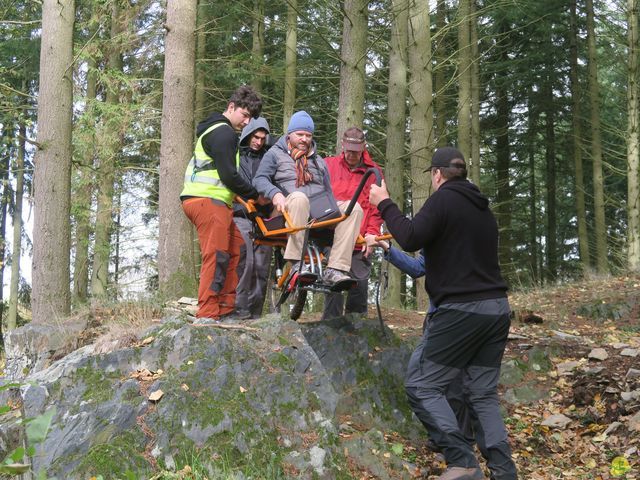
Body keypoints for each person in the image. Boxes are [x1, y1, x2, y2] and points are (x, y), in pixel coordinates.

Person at [369, 146, 517, 480]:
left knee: (421, 385)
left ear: (437, 174)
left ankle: (462, 461)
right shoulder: (483, 211)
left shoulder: (443, 200)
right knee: (480, 393)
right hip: (496, 310)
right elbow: (425, 261)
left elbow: (409, 236)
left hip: (460, 311)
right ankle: (504, 472)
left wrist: (384, 202)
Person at [375, 242, 475, 450]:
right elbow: (419, 266)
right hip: (448, 317)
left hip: (450, 319)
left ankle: (453, 440)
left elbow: (420, 267)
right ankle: (455, 437)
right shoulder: (439, 233)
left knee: (427, 380)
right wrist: (387, 248)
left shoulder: (458, 232)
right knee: (449, 381)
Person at [181, 85, 268, 321]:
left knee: (237, 249)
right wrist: (255, 196)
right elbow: (229, 176)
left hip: (215, 201)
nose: (246, 121)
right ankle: (208, 312)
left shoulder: (220, 132)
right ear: (231, 107)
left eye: (250, 118)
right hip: (206, 201)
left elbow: (225, 177)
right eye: (245, 115)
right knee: (217, 254)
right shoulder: (223, 133)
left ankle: (226, 308)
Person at [253, 111, 363, 286]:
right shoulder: (274, 154)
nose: (304, 139)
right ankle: (296, 263)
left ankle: (336, 269)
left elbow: (328, 191)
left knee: (353, 207)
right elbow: (259, 179)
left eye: (308, 135)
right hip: (287, 207)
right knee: (299, 198)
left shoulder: (319, 161)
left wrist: (333, 209)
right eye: (300, 134)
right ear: (289, 134)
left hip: (318, 209)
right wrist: (275, 193)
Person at [321, 127, 384, 320]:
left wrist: (371, 235)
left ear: (363, 147)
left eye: (356, 150)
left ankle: (358, 335)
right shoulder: (328, 165)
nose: (351, 154)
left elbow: (377, 209)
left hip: (359, 241)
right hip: (332, 238)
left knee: (359, 287)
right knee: (334, 288)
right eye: (348, 149)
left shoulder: (374, 173)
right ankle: (329, 329)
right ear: (342, 145)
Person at [233, 117, 273, 319]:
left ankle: (255, 314)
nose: (258, 142)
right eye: (255, 137)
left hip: (264, 217)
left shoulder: (269, 158)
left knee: (261, 267)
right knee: (245, 263)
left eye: (262, 138)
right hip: (240, 213)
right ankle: (239, 310)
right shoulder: (235, 154)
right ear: (248, 135)